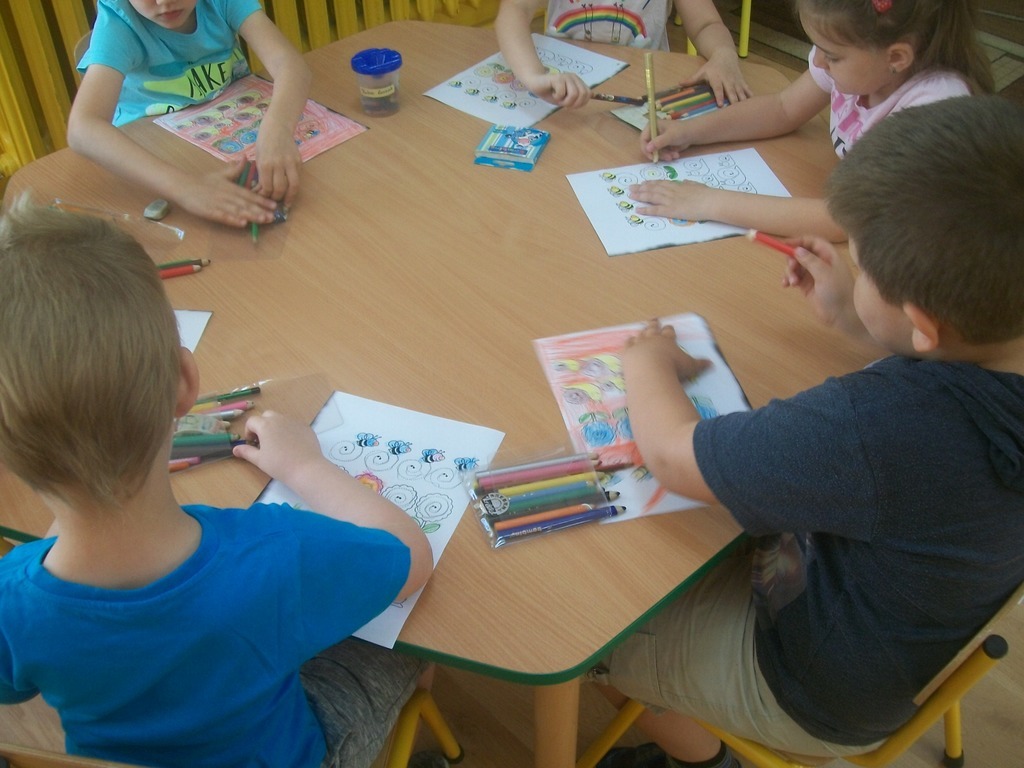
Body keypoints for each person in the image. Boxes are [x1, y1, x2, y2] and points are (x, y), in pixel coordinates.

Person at [591, 94, 1024, 768]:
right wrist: (857, 319)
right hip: (899, 637)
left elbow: (674, 459)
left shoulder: (883, 425)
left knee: (591, 635)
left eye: (864, 269)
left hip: (807, 687)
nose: (855, 272)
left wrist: (645, 362)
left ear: (922, 323)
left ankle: (705, 760)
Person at [0, 197, 442, 768]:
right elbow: (410, 557)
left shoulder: (12, 598)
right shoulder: (272, 553)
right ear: (186, 382)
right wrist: (305, 467)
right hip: (286, 754)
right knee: (408, 646)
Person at [629, 0, 993, 241]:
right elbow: (783, 109)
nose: (817, 62)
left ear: (897, 57)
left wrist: (708, 202)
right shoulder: (863, 67)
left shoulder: (933, 106)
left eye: (831, 56)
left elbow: (847, 219)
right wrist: (690, 131)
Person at [68, 0, 311, 229]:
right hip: (155, 164)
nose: (164, 2)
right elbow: (82, 128)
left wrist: (278, 127)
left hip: (224, 140)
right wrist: (185, 189)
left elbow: (289, 64)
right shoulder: (119, 24)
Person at [495, 0, 752, 110]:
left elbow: (706, 23)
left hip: (642, 93)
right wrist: (534, 76)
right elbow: (514, 10)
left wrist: (723, 54)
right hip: (563, 92)